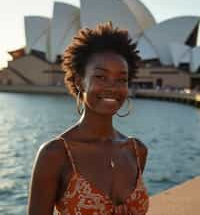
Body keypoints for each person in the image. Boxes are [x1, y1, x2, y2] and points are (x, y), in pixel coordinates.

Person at [27, 22, 149, 215]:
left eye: (121, 79)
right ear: (79, 82)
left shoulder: (136, 150)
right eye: (100, 77)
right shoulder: (56, 154)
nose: (112, 87)